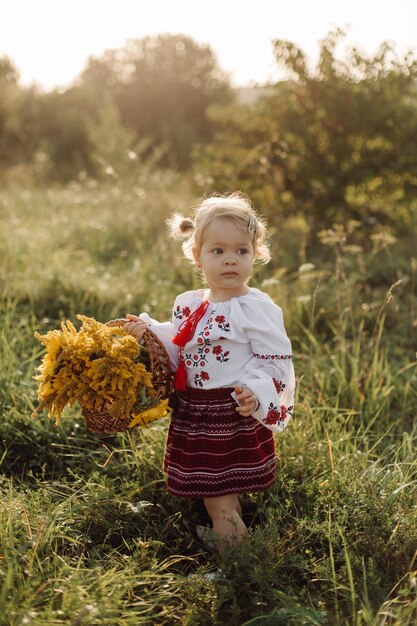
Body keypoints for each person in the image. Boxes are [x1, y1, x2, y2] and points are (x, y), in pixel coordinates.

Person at [123, 192, 295, 555]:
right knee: (218, 493)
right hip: (196, 411)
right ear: (197, 256)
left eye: (241, 251)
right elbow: (181, 343)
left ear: (255, 253)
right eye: (217, 251)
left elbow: (276, 358)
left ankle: (237, 561)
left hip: (229, 412)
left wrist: (255, 390)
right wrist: (150, 331)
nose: (230, 260)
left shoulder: (254, 308)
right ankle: (232, 532)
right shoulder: (191, 303)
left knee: (216, 498)